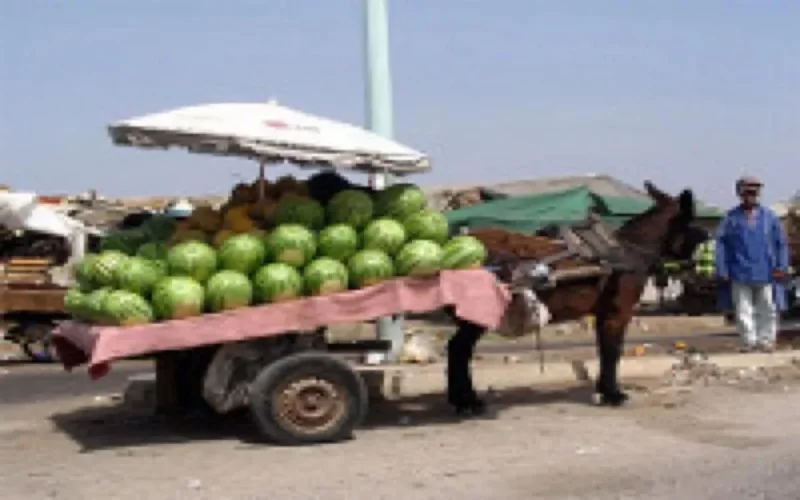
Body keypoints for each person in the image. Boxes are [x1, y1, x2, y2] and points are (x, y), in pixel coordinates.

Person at [715, 176, 790, 352]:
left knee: (768, 308)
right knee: (743, 310)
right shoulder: (731, 218)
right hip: (739, 271)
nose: (751, 195)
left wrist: (781, 267)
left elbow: (781, 244)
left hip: (766, 271)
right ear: (740, 193)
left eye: (754, 192)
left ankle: (766, 341)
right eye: (747, 191)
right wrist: (722, 268)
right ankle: (748, 342)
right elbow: (721, 244)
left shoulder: (770, 217)